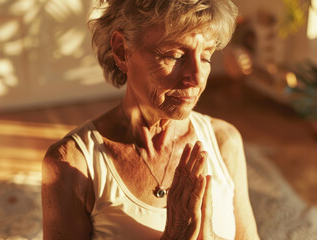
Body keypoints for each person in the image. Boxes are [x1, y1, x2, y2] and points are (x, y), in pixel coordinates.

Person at [41, 0, 260, 239]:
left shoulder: (224, 141)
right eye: (176, 55)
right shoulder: (71, 164)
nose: (197, 77)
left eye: (206, 56)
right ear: (122, 51)